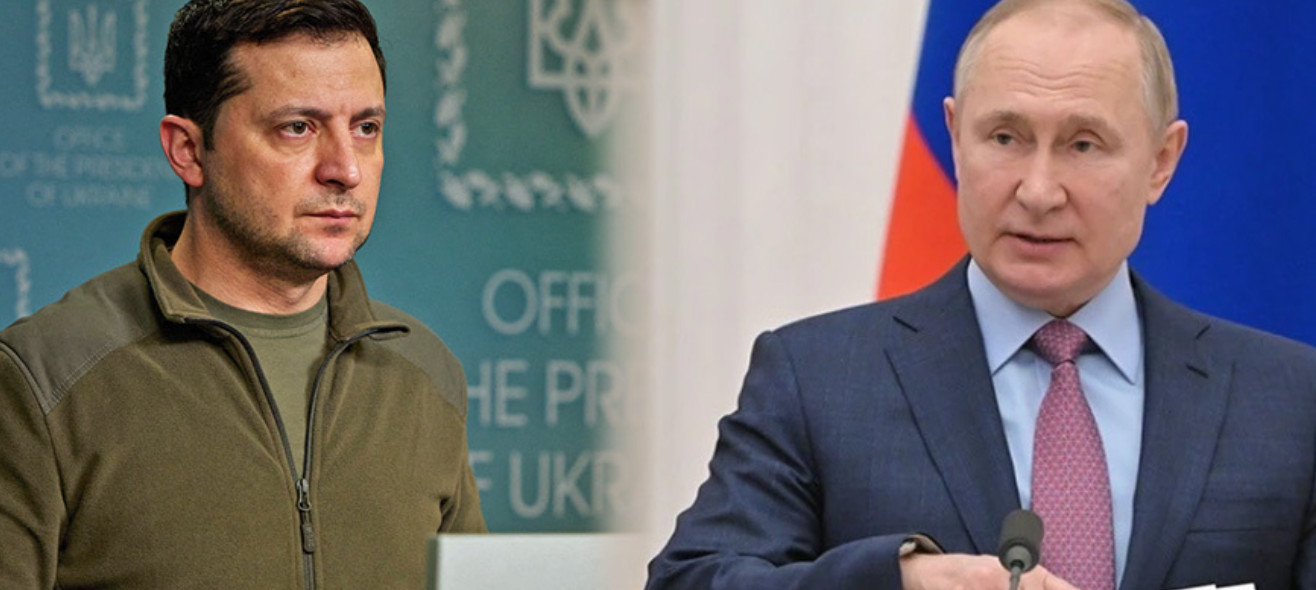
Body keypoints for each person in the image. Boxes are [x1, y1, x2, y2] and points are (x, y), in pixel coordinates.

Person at [646, 0, 1316, 589]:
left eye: (1084, 145)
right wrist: (900, 582)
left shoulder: (1289, 400)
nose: (1038, 191)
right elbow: (692, 579)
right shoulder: (818, 381)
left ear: (1161, 162)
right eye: (1004, 138)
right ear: (955, 138)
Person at [0, 1, 486, 587]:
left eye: (365, 128)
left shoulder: (424, 374)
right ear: (188, 150)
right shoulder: (43, 380)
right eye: (297, 127)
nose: (345, 169)